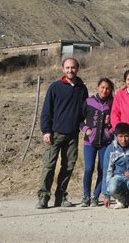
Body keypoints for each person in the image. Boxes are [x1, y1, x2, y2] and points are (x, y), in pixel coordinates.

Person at [36, 57, 88, 209]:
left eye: (73, 67)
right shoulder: (55, 87)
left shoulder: (82, 88)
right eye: (67, 67)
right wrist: (46, 130)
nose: (70, 70)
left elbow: (84, 112)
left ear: (77, 69)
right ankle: (43, 197)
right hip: (54, 134)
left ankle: (61, 196)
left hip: (72, 135)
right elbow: (46, 111)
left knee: (68, 166)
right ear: (63, 69)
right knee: (49, 165)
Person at [79, 78, 114, 207]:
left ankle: (96, 196)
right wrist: (86, 129)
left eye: (107, 88)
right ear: (98, 87)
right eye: (102, 87)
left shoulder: (113, 104)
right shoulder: (88, 102)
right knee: (88, 168)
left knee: (102, 169)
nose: (104, 90)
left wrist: (109, 131)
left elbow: (116, 121)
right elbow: (80, 120)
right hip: (89, 142)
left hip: (105, 143)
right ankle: (86, 196)